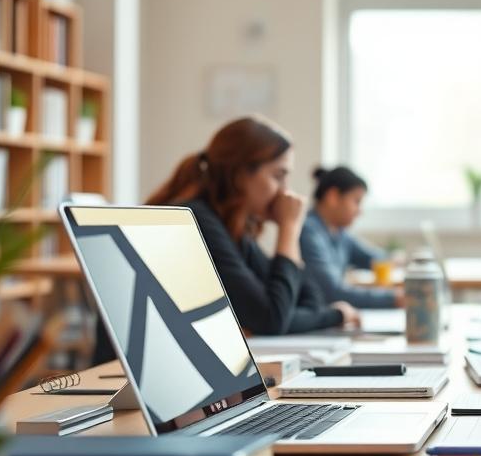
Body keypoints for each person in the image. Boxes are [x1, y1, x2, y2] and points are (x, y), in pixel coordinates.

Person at [145, 116, 360, 334]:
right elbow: (271, 319)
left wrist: (329, 315)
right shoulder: (198, 219)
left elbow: (303, 304)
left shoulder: (232, 228)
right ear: (240, 174)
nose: (285, 191)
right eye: (278, 176)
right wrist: (289, 229)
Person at [299, 165, 404, 309]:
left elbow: (372, 258)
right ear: (333, 197)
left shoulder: (339, 233)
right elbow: (332, 293)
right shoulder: (309, 232)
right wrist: (394, 298)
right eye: (356, 201)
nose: (359, 211)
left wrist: (394, 259)